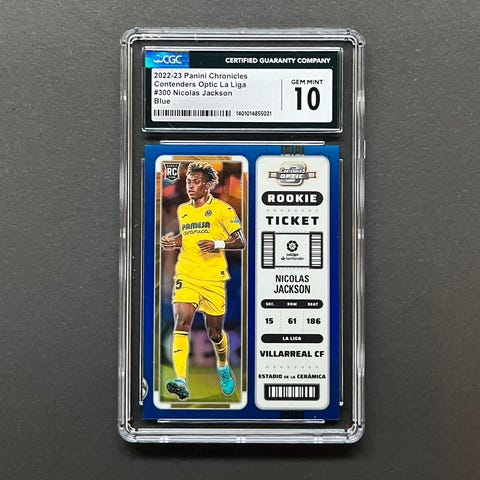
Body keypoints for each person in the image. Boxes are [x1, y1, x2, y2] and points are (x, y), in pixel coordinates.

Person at [161, 162, 245, 400]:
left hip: (213, 278)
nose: (191, 186)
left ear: (208, 185)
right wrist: (174, 242)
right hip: (187, 274)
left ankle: (222, 366)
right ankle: (180, 379)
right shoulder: (183, 210)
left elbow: (240, 241)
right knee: (181, 322)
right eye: (189, 182)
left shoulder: (223, 210)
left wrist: (216, 243)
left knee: (215, 333)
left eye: (196, 182)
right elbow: (189, 237)